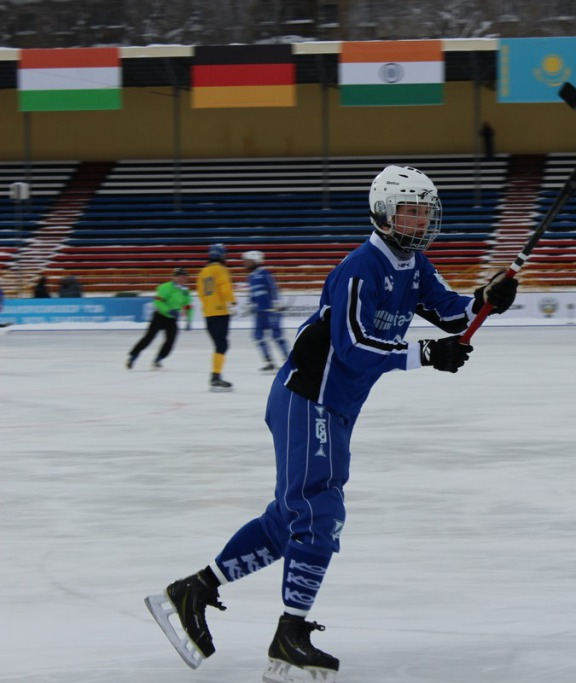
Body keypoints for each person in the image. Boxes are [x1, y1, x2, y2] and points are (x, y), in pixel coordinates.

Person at [144, 165, 519, 680]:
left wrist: (485, 301)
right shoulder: (359, 269)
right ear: (385, 215)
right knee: (319, 514)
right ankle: (290, 636)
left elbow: (453, 315)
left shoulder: (416, 266)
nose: (421, 220)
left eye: (425, 211)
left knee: (287, 521)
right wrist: (426, 355)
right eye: (410, 211)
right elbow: (353, 348)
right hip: (306, 398)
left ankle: (192, 592)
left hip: (336, 407)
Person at [127, 267, 193, 370]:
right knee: (149, 337)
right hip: (160, 316)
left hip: (171, 319)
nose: (182, 279)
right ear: (174, 277)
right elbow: (157, 301)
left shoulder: (185, 291)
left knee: (170, 341)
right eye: (180, 276)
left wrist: (189, 320)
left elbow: (188, 305)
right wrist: (168, 310)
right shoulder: (165, 287)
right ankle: (133, 355)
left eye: (184, 277)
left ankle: (159, 358)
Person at [243, 250, 290, 373]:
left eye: (248, 261)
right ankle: (269, 362)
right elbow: (253, 293)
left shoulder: (265, 274)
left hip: (271, 310)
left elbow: (273, 288)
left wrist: (276, 301)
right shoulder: (251, 277)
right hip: (259, 312)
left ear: (256, 260)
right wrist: (249, 304)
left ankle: (289, 360)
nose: (245, 264)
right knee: (258, 336)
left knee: (277, 335)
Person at [198, 243, 236, 391]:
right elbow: (225, 286)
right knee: (222, 345)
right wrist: (233, 301)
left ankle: (216, 375)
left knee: (219, 346)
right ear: (220, 255)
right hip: (221, 313)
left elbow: (201, 293)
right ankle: (215, 376)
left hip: (208, 314)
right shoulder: (221, 269)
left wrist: (209, 306)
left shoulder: (203, 271)